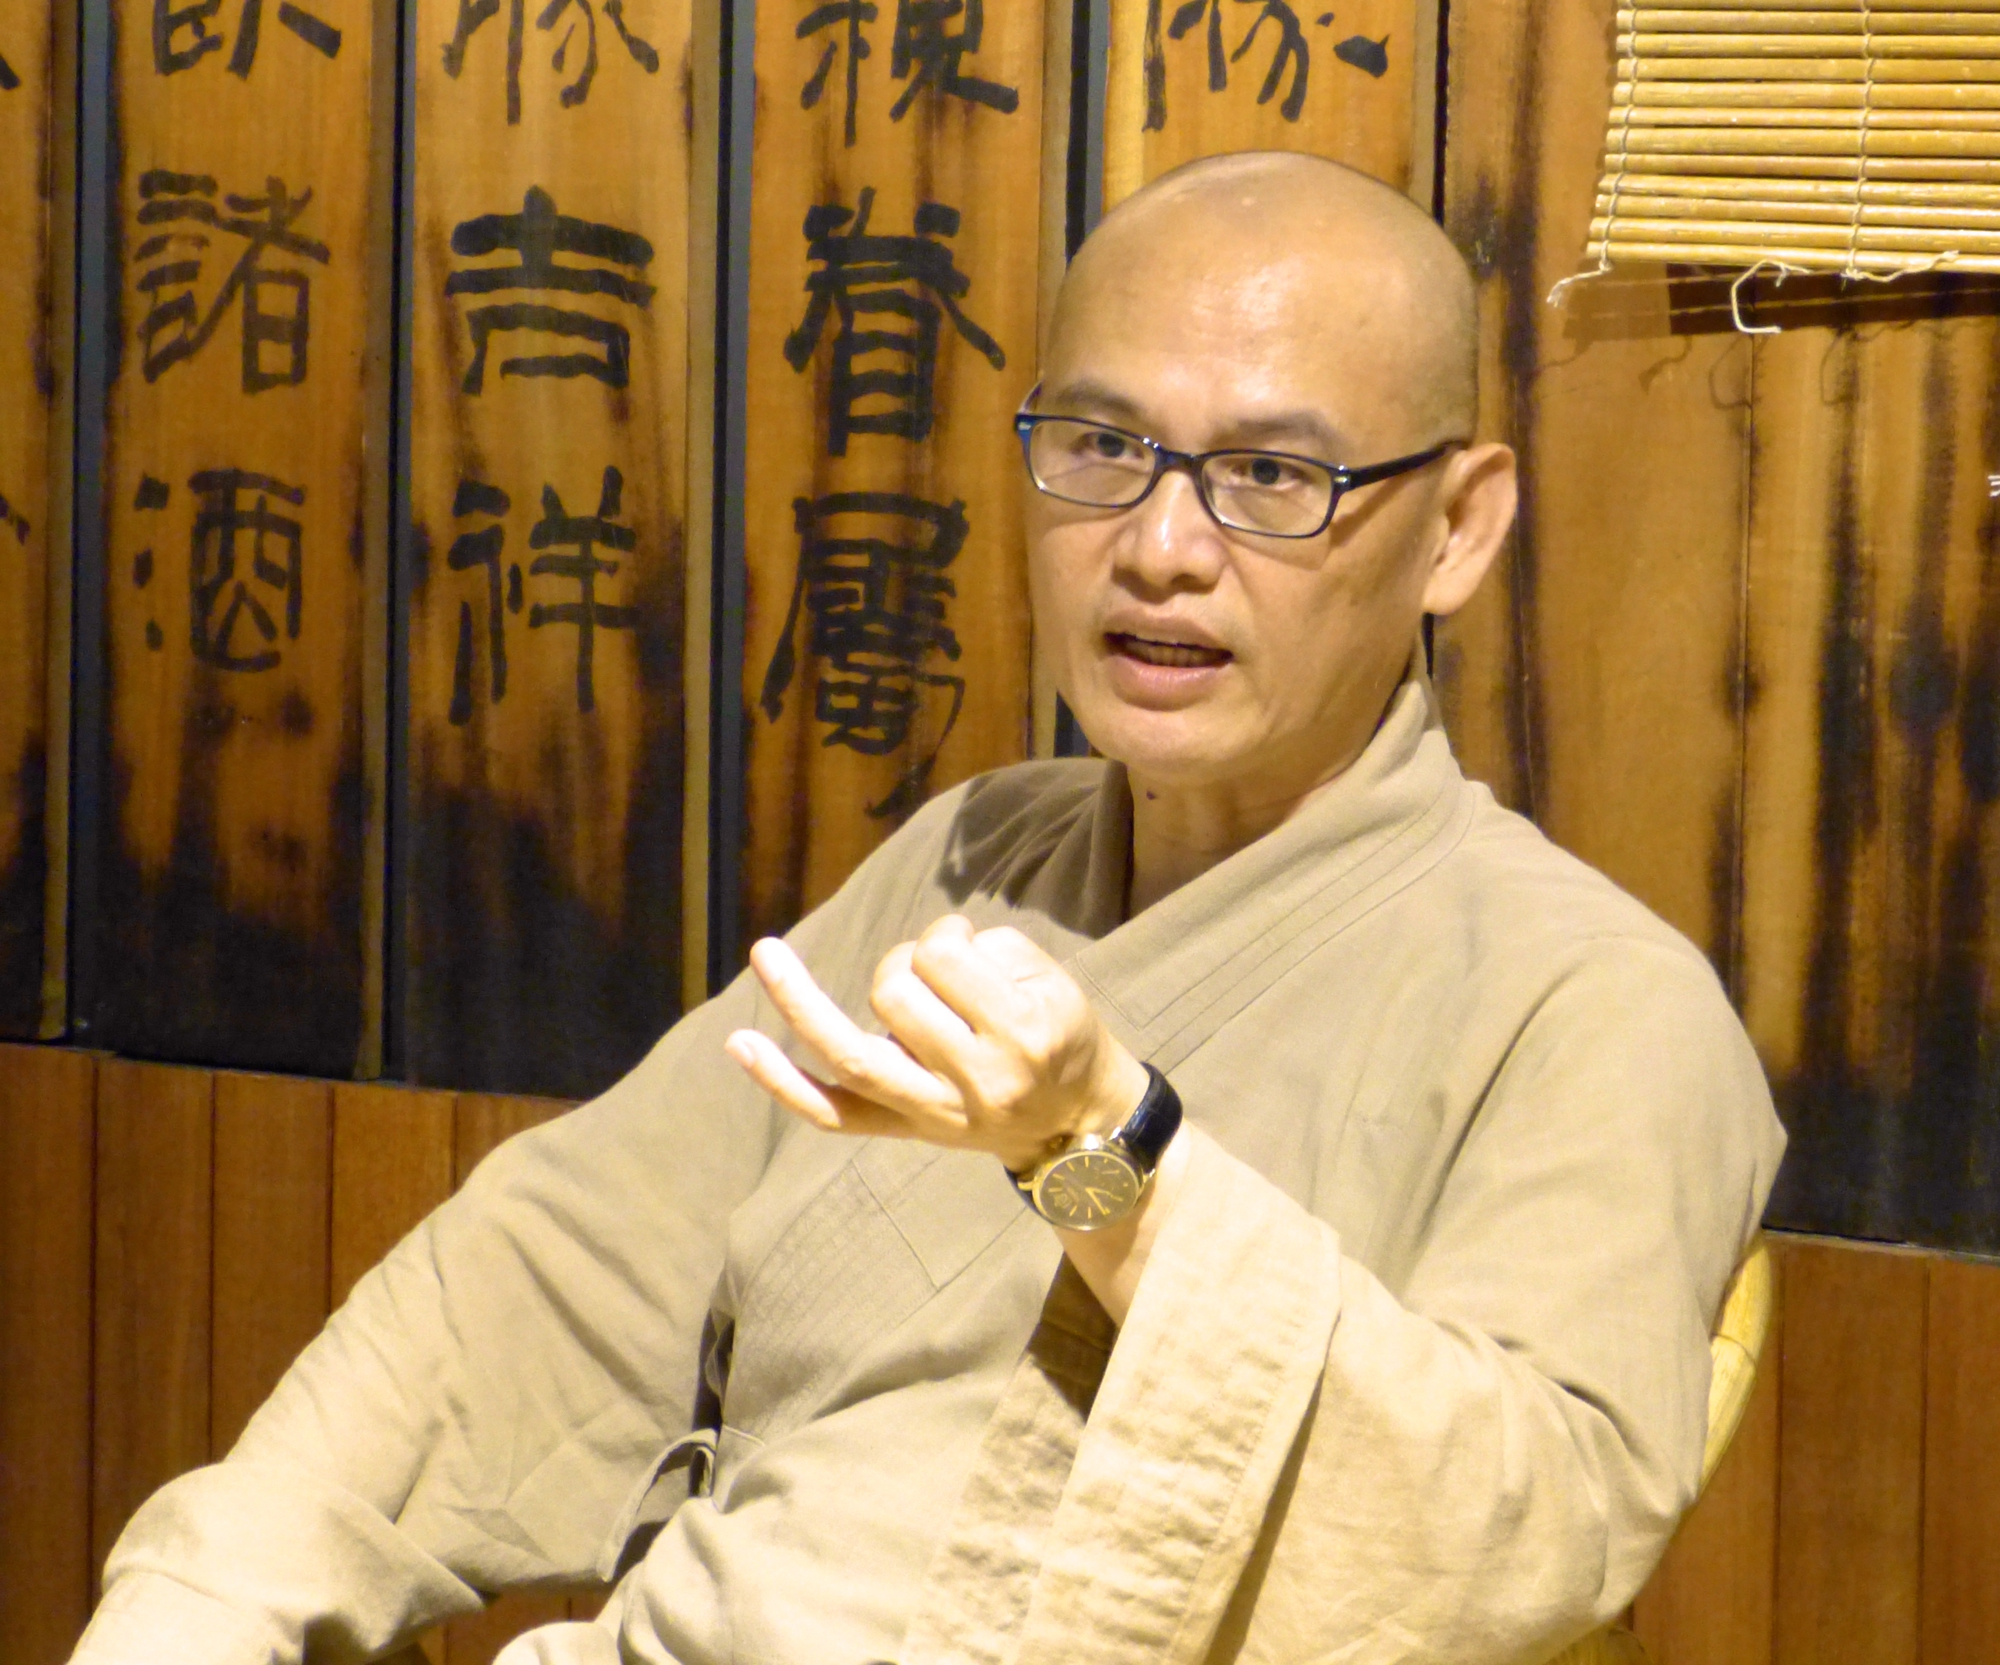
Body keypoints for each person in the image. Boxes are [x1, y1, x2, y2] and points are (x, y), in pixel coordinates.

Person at [72, 152, 1784, 1665]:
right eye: (1103, 447)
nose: (1161, 547)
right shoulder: (976, 856)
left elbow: (1515, 1537)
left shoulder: (1590, 1001)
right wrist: (204, 1598)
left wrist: (1101, 1156)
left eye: (1271, 475)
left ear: (1459, 529)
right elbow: (551, 1274)